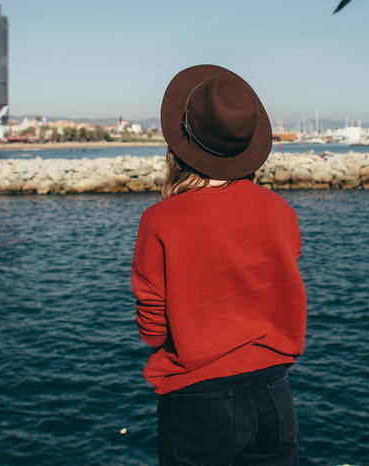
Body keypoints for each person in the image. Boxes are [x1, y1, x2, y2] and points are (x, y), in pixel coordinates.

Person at [132, 64, 307, 465]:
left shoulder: (160, 222)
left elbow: (153, 330)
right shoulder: (280, 212)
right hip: (274, 395)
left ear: (181, 143)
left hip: (199, 400)